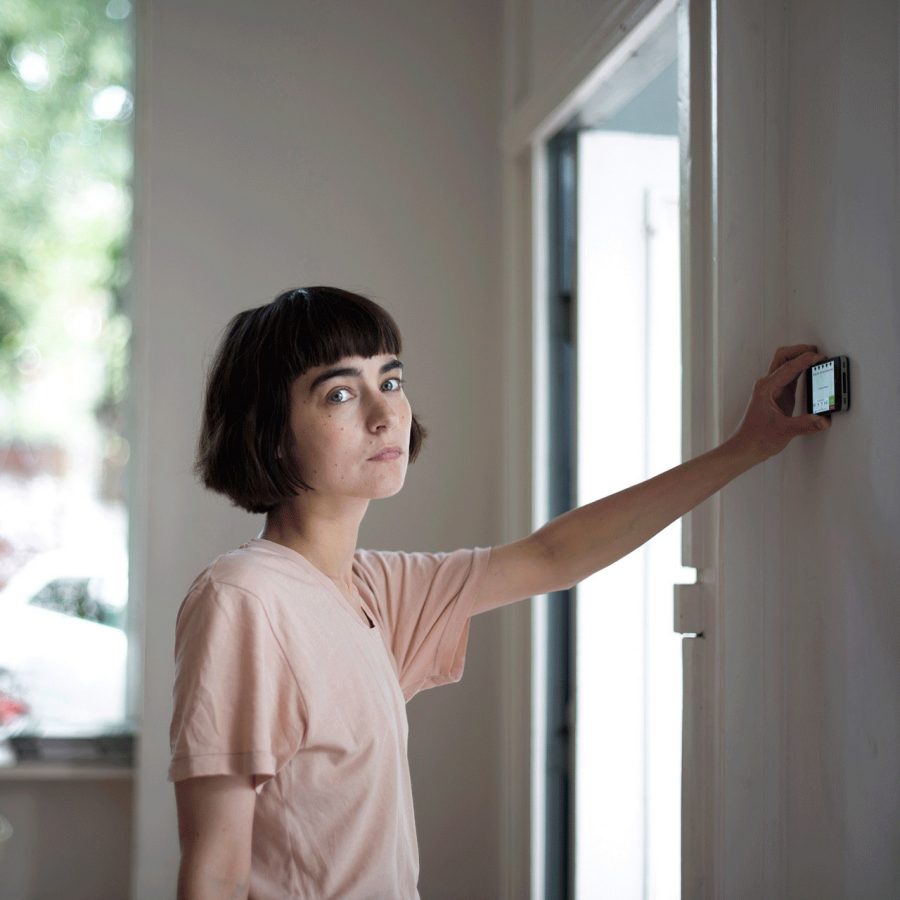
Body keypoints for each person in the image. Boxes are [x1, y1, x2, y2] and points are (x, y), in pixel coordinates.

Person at [168, 285, 831, 899]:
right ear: (271, 430)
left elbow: (552, 556)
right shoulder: (245, 600)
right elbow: (215, 874)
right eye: (340, 393)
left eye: (390, 380)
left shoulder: (374, 588)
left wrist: (747, 448)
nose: (383, 413)